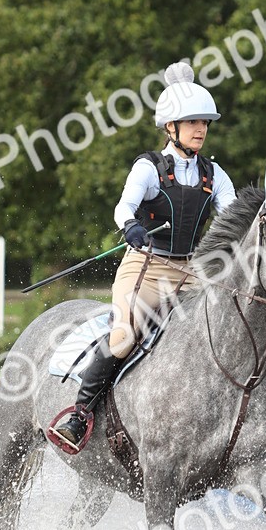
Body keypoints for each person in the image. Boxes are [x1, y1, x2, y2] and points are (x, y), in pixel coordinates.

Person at [52, 60, 236, 450]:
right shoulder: (148, 168)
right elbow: (123, 208)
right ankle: (79, 414)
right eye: (192, 123)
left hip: (193, 273)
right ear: (171, 128)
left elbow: (233, 216)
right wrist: (131, 227)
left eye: (204, 122)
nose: (201, 129)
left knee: (230, 329)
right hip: (148, 267)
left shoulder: (215, 175)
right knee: (123, 337)